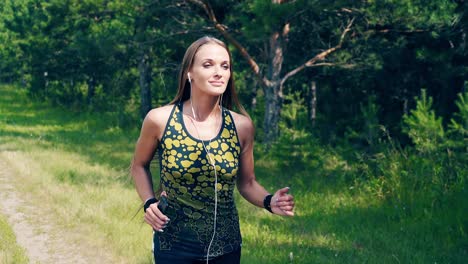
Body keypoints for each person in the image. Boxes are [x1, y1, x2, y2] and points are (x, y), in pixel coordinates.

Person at [130, 36, 295, 264]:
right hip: (174, 244)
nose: (218, 72)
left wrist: (269, 201)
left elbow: (247, 183)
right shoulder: (160, 119)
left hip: (226, 247)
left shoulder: (241, 127)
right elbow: (138, 165)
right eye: (208, 65)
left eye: (224, 66)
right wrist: (149, 203)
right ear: (190, 72)